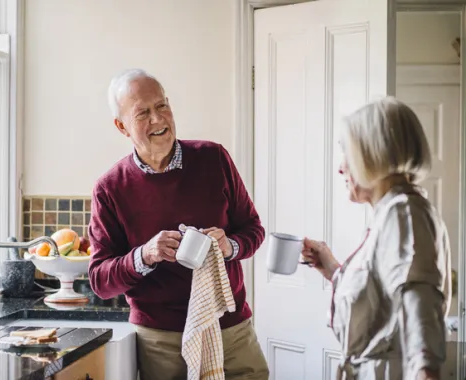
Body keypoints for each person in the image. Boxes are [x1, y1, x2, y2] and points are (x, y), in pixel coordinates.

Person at [87, 68, 269, 380]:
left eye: (162, 105)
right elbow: (100, 281)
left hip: (230, 328)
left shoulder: (214, 158)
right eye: (143, 112)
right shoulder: (110, 188)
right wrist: (144, 255)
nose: (158, 119)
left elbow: (253, 229)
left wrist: (230, 246)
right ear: (122, 126)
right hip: (161, 339)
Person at [302, 97, 451, 380]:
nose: (341, 168)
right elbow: (382, 304)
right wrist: (333, 270)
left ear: (372, 153)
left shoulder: (403, 214)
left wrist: (425, 371)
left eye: (347, 153)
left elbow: (419, 309)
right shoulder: (392, 213)